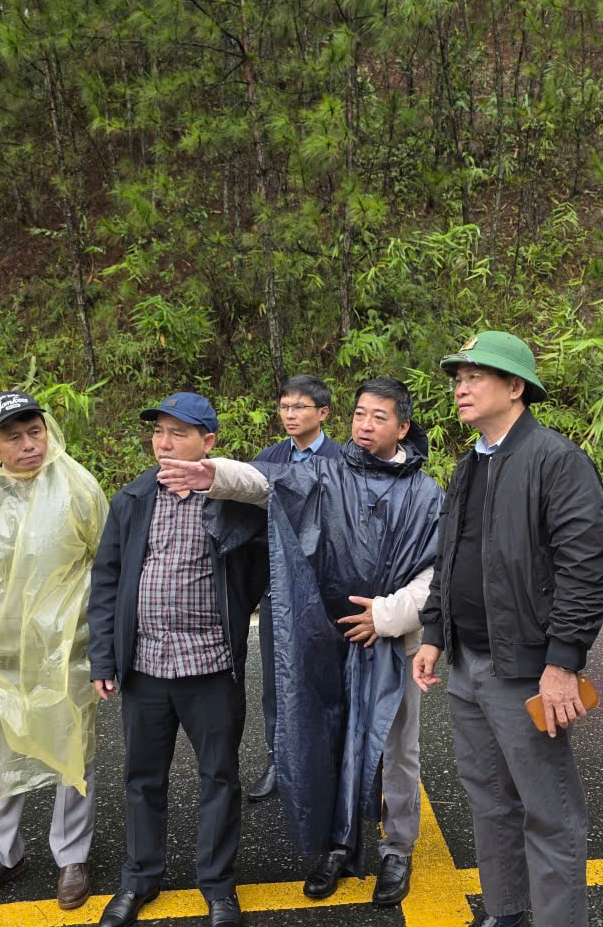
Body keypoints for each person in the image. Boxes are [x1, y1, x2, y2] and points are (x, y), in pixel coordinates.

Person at [161, 377, 443, 908]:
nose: (364, 425)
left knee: (397, 749)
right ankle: (336, 845)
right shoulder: (327, 473)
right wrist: (215, 474)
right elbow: (268, 484)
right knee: (331, 739)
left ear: (403, 427)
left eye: (378, 417)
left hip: (389, 641)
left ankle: (397, 850)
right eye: (359, 414)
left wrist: (385, 616)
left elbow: (435, 575)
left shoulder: (427, 494)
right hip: (331, 639)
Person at [413, 332, 603, 927]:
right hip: (469, 661)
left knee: (549, 810)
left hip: (527, 669)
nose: (461, 387)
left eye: (476, 376)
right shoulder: (470, 461)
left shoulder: (556, 460)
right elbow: (448, 557)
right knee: (489, 800)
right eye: (458, 377)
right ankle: (505, 913)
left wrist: (562, 664)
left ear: (514, 387)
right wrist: (432, 634)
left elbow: (587, 567)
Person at [88, 393, 268, 927]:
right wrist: (104, 658)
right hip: (144, 668)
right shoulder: (134, 498)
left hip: (211, 666)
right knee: (143, 777)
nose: (165, 444)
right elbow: (107, 582)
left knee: (219, 776)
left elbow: (260, 558)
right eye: (159, 432)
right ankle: (138, 880)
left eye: (179, 433)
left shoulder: (231, 503)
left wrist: (235, 612)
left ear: (208, 443)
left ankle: (217, 886)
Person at [0, 391, 108, 910]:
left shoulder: (78, 488)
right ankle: (2, 853)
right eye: (12, 437)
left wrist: (85, 636)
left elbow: (103, 563)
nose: (28, 445)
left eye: (34, 431)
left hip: (66, 648)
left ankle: (72, 857)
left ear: (48, 431)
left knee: (69, 753)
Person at [247, 375, 342, 802]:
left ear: (322, 413)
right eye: (284, 407)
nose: (289, 415)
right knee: (276, 679)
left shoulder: (345, 460)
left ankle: (335, 764)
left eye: (299, 407)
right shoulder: (269, 458)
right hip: (279, 590)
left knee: (328, 678)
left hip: (328, 591)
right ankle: (278, 761)